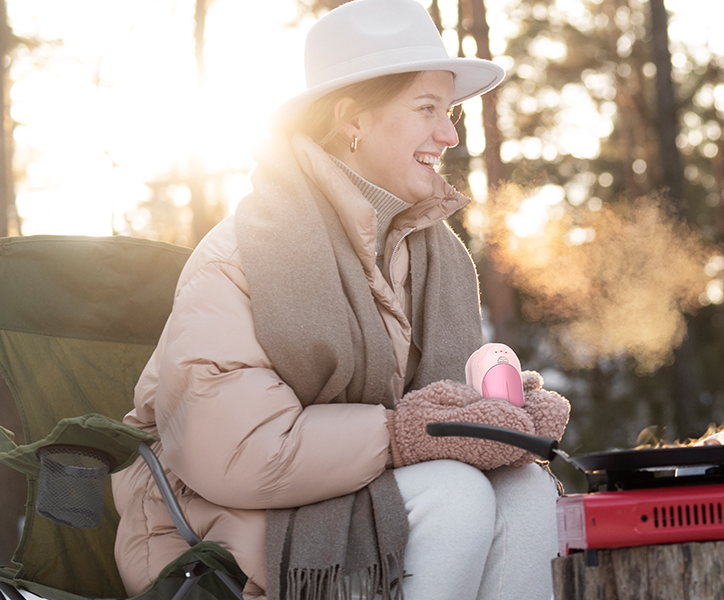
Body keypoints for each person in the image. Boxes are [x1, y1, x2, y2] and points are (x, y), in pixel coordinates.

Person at [110, 1, 568, 599]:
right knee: (454, 497)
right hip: (213, 524)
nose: (450, 134)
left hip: (363, 490)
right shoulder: (244, 255)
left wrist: (500, 415)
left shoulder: (433, 257)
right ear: (353, 119)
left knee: (526, 492)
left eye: (450, 111)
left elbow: (440, 410)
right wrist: (404, 434)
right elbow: (237, 452)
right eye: (426, 109)